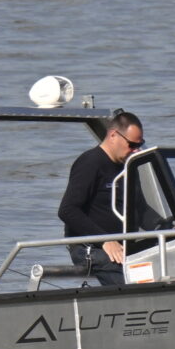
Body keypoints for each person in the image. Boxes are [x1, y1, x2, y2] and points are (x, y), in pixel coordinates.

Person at [58, 111, 144, 285]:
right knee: (127, 278)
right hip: (91, 247)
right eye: (132, 144)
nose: (136, 150)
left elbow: (142, 209)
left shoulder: (128, 167)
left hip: (122, 244)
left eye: (140, 144)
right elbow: (67, 210)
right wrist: (104, 239)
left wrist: (172, 225)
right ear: (113, 135)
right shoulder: (90, 162)